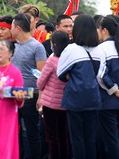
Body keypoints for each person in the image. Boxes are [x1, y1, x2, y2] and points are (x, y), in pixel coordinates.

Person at [57, 15, 104, 159]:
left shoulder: (71, 49)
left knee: (77, 138)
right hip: (93, 98)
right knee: (90, 137)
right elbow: (100, 74)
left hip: (75, 99)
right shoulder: (99, 50)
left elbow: (60, 73)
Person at [10, 13, 47, 159]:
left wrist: (41, 97)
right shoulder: (12, 46)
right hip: (12, 93)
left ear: (18, 28)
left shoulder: (36, 47)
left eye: (12, 26)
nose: (10, 29)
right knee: (14, 131)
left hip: (30, 93)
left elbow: (42, 75)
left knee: (31, 131)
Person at [96, 16, 119, 159]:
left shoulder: (101, 49)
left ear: (104, 30)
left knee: (111, 140)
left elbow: (100, 75)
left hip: (107, 101)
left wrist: (115, 90)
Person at [37, 31, 71, 159]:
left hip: (50, 105)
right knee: (63, 136)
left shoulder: (52, 61)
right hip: (65, 104)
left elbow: (40, 82)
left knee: (52, 137)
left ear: (54, 44)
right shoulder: (69, 60)